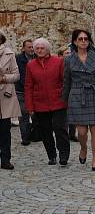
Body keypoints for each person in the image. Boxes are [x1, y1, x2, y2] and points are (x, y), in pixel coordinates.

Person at [63, 29, 95, 171]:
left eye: (86, 39)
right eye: (80, 39)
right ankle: (83, 148)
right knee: (82, 132)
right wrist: (65, 99)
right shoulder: (68, 60)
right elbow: (67, 81)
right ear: (75, 42)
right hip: (78, 96)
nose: (83, 41)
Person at [25, 37, 70, 166]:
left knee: (60, 128)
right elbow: (28, 86)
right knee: (45, 131)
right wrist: (30, 106)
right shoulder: (31, 65)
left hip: (58, 101)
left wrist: (65, 96)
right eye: (37, 48)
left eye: (42, 48)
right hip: (40, 103)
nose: (39, 50)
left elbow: (65, 81)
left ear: (48, 49)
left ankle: (63, 154)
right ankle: (51, 155)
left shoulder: (58, 61)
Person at [0, 33, 21, 169]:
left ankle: (5, 159)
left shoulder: (9, 54)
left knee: (4, 130)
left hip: (4, 96)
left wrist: (4, 78)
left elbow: (16, 75)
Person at [14, 39, 33, 145]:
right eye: (29, 47)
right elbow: (18, 74)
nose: (31, 49)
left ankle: (36, 135)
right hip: (21, 91)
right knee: (23, 114)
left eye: (32, 47)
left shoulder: (37, 58)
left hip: (35, 91)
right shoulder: (18, 59)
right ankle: (25, 138)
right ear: (24, 48)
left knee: (37, 115)